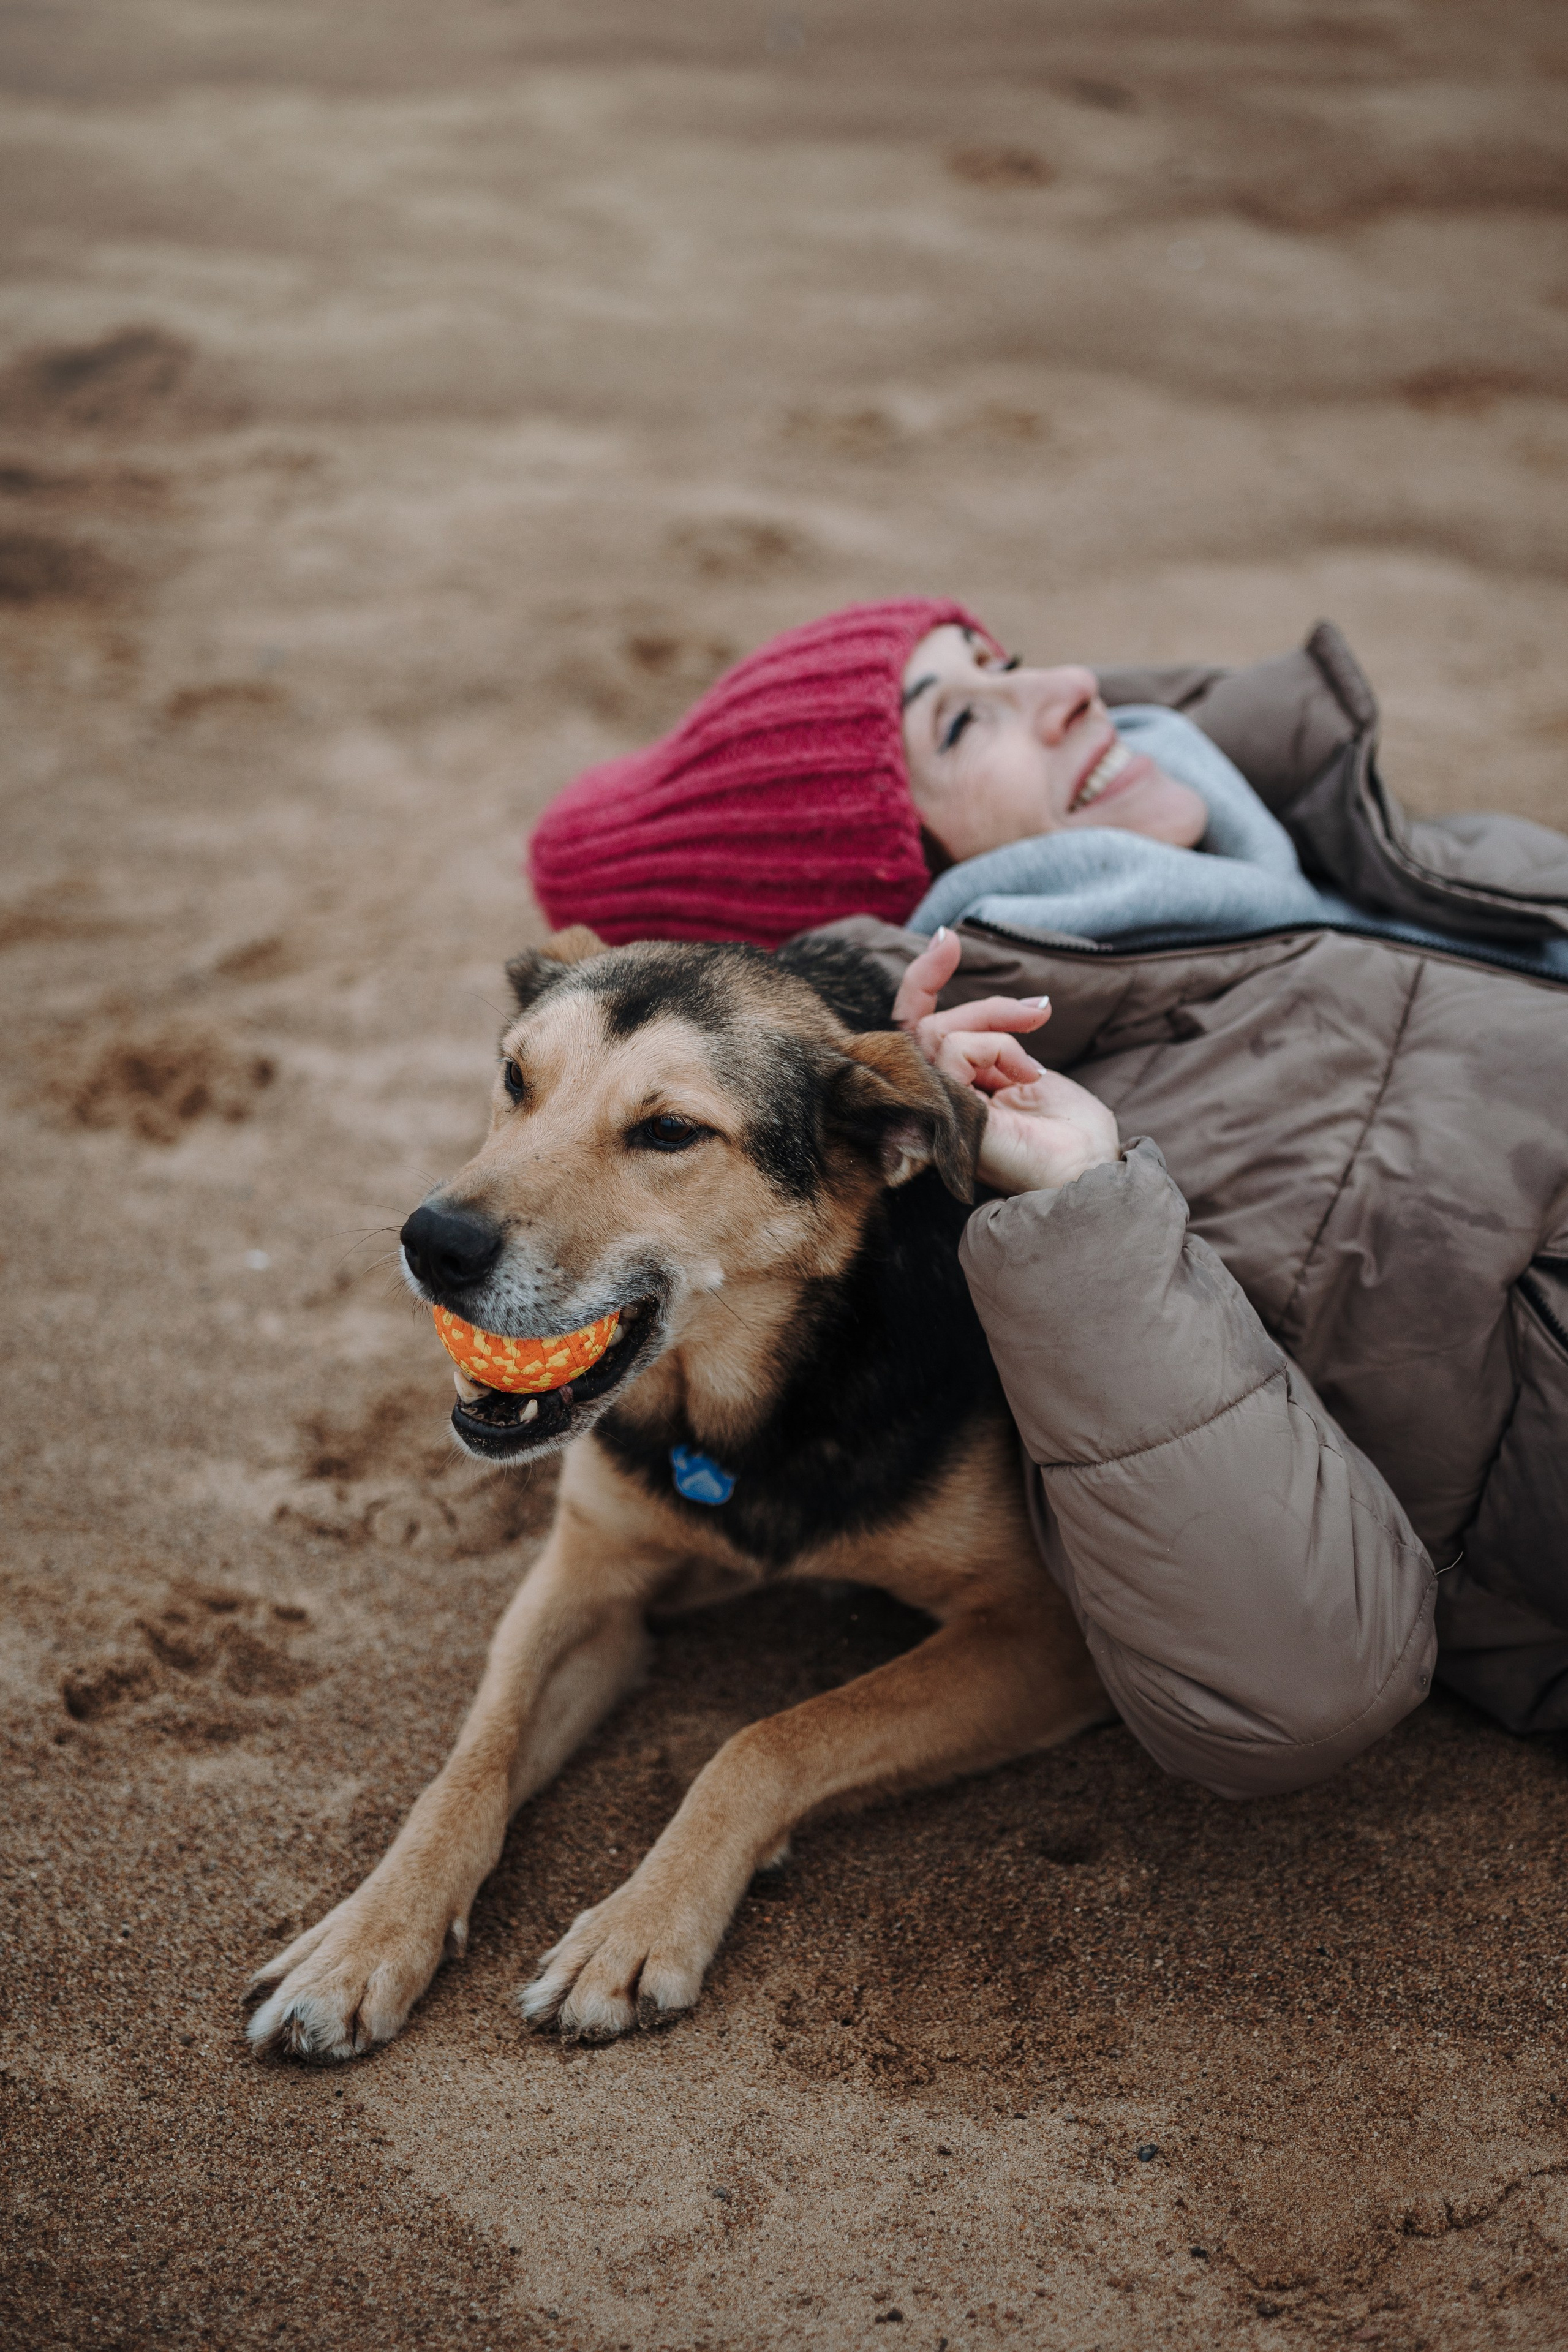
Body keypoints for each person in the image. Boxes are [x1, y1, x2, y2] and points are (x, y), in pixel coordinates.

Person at [527, 599, 1568, 1791]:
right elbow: (1289, 1687)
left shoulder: (1312, 835)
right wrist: (1081, 1216)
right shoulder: (1097, 1146)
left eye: (1000, 666)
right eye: (964, 724)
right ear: (897, 880)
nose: (1070, 681)